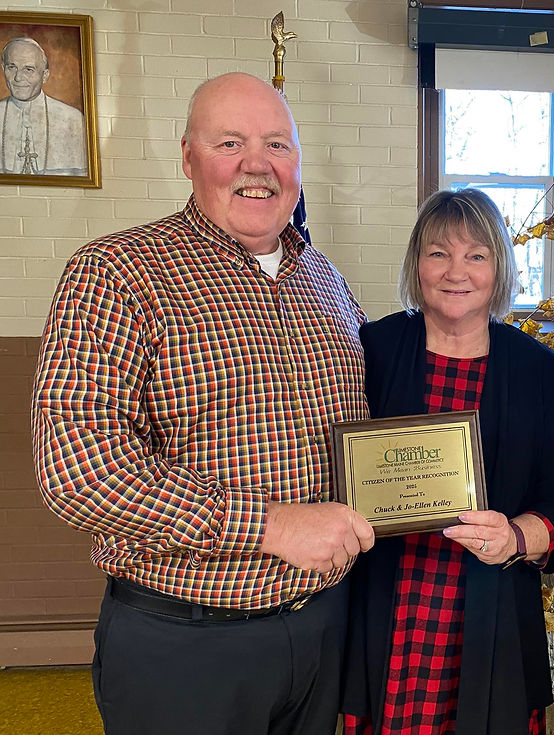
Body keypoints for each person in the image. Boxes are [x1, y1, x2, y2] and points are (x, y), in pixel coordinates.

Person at [32, 72, 374, 735]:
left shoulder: (325, 280)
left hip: (323, 631)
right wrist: (273, 526)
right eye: (230, 142)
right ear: (188, 156)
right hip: (187, 647)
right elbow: (78, 471)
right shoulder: (119, 272)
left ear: (297, 162)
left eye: (277, 144)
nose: (257, 164)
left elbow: (369, 435)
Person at [341, 188, 554, 735]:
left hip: (491, 604)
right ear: (416, 264)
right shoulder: (372, 349)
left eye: (477, 254)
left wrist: (519, 537)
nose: (457, 271)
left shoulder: (537, 370)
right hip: (391, 601)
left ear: (499, 266)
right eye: (438, 253)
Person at [1, 37, 87, 175]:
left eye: (28, 69)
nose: (18, 77)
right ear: (3, 69)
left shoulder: (72, 119)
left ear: (45, 75)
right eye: (12, 67)